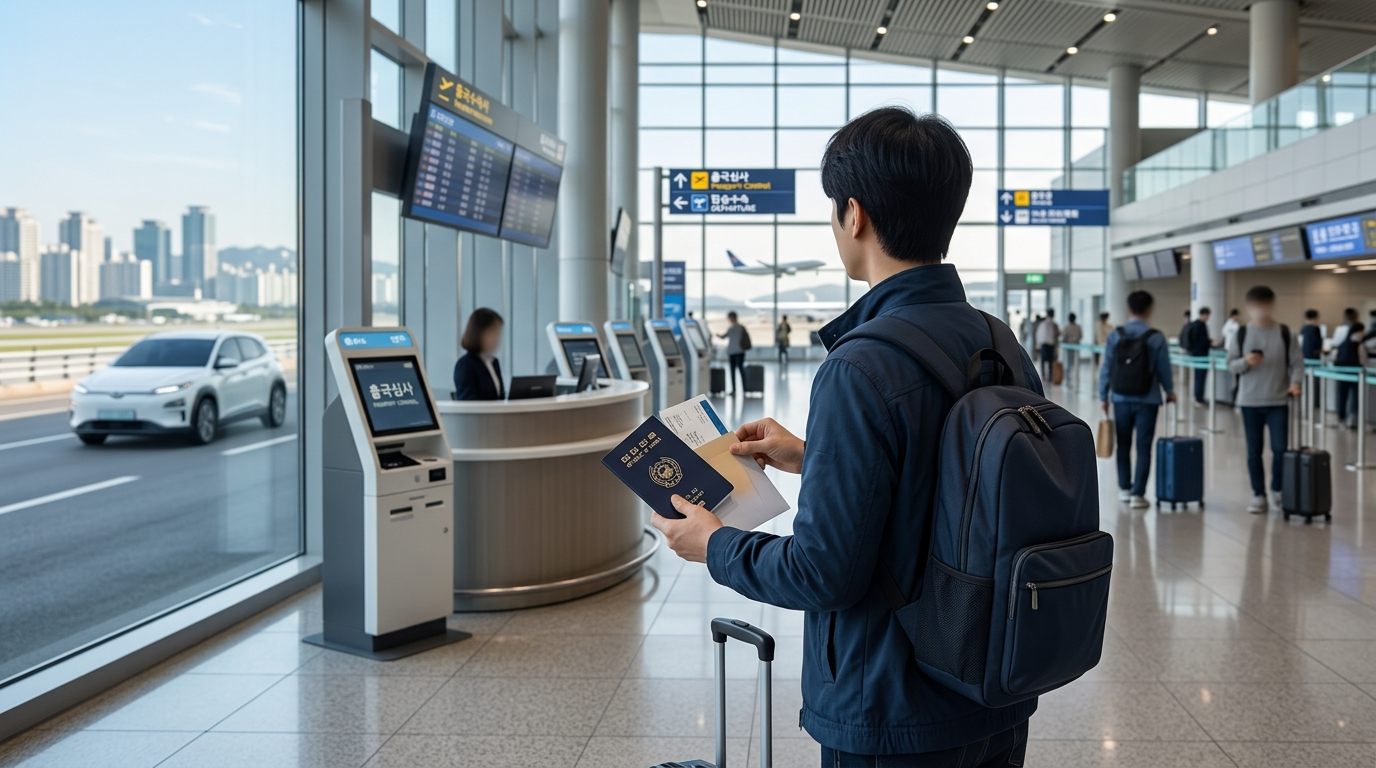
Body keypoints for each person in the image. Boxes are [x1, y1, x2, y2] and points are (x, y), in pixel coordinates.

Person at [651, 108, 1041, 766]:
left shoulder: (860, 365)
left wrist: (714, 545)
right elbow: (959, 487)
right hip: (993, 685)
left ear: (853, 215)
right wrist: (813, 457)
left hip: (892, 708)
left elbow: (823, 573)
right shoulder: (1000, 344)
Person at [1226, 286, 1303, 513]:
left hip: (1278, 401)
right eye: (1256, 307)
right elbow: (1230, 364)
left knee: (1280, 449)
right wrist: (1246, 362)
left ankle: (1277, 490)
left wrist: (1295, 384)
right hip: (1250, 401)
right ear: (1249, 308)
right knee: (1254, 450)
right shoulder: (1240, 334)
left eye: (1265, 307)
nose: (1261, 311)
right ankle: (1258, 494)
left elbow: (1297, 363)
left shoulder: (1285, 333)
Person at [1098, 290, 1175, 509]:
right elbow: (1164, 369)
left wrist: (1103, 395)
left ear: (1129, 309)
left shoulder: (1116, 335)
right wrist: (1169, 391)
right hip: (1148, 400)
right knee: (1143, 446)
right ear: (1150, 309)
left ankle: (1124, 488)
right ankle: (1138, 494)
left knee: (1123, 444)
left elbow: (1107, 367)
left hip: (1120, 398)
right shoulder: (1156, 337)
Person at [453, 308, 505, 401]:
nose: (497, 338)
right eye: (493, 332)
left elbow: (499, 398)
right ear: (479, 333)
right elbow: (468, 402)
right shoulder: (465, 364)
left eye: (498, 333)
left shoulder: (494, 362)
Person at [1334, 321, 1365, 429]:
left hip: (1343, 372)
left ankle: (1342, 419)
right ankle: (1351, 419)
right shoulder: (1357, 344)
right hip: (1353, 373)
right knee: (1353, 396)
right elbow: (1362, 359)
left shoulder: (1344, 342)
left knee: (1343, 396)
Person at [1181, 308, 1212, 406]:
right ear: (1204, 315)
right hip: (1201, 355)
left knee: (1198, 377)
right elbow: (1202, 341)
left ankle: (1197, 397)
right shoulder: (1201, 325)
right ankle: (1199, 398)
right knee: (1200, 377)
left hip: (1195, 354)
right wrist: (1210, 342)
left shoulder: (1194, 324)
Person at [718, 311, 750, 395]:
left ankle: (734, 390)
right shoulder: (741, 327)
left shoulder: (732, 328)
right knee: (741, 369)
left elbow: (723, 337)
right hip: (740, 352)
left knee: (733, 371)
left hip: (733, 352)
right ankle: (744, 389)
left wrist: (717, 335)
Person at [1035, 308, 1060, 382]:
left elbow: (1039, 335)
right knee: (1050, 362)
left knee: (1043, 361)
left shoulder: (1043, 323)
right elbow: (1056, 335)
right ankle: (1049, 377)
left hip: (1044, 345)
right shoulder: (1053, 324)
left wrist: (1038, 345)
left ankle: (1044, 376)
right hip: (1050, 345)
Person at [1063, 312, 1083, 379]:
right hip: (1076, 346)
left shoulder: (1067, 327)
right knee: (1076, 360)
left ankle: (1069, 372)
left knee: (1069, 360)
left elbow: (1064, 337)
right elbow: (1080, 336)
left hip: (1069, 346)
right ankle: (1075, 373)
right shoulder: (1078, 327)